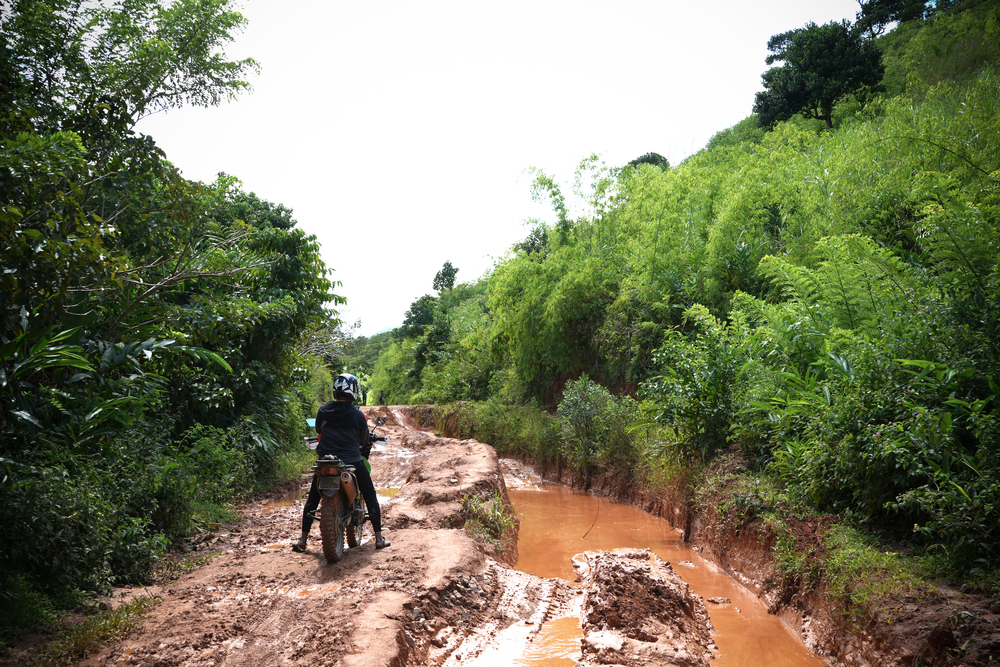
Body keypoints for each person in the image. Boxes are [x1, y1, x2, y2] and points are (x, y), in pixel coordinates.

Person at [292, 373, 390, 552]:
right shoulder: (357, 414)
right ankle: (378, 538)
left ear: (335, 391)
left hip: (325, 461)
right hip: (351, 461)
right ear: (353, 392)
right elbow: (363, 439)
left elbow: (319, 430)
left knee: (313, 498)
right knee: (369, 494)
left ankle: (303, 539)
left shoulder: (323, 410)